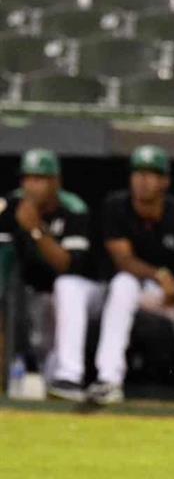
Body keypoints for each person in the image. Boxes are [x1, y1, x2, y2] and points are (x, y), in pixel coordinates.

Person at [87, 145, 174, 406]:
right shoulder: (117, 207)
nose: (142, 181)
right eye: (138, 173)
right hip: (151, 292)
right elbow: (122, 260)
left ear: (165, 181)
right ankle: (108, 379)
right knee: (122, 284)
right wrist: (160, 275)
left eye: (151, 174)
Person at [0, 149, 99, 402]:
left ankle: (70, 376)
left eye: (39, 179)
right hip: (30, 297)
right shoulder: (11, 205)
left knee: (66, 286)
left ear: (55, 181)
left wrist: (35, 229)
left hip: (82, 296)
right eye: (27, 178)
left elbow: (67, 266)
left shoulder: (73, 209)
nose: (31, 186)